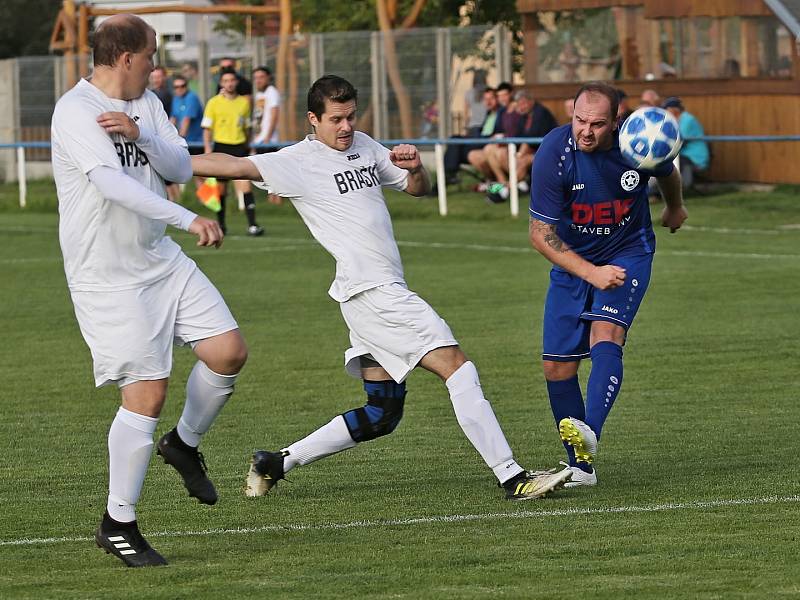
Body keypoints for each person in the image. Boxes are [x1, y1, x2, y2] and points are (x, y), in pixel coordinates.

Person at [192, 75, 572, 502]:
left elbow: (418, 190)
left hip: (368, 295)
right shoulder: (297, 161)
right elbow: (232, 164)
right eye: (336, 119)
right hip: (375, 293)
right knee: (458, 367)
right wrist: (163, 158)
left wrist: (415, 168)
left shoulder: (365, 145)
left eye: (351, 116)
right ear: (312, 119)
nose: (345, 126)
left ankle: (275, 462)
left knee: (381, 413)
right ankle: (512, 476)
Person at [50, 14, 248, 567]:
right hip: (106, 275)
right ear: (126, 58)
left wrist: (141, 135)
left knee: (227, 351)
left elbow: (179, 163)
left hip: (158, 257)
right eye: (152, 54)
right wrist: (188, 219)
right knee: (147, 392)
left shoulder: (147, 104)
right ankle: (119, 522)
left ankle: (183, 445)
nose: (157, 64)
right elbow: (110, 184)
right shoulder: (75, 111)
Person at [528, 81, 687, 488]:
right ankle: (581, 470)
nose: (586, 130)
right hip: (573, 262)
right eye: (580, 120)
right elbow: (540, 233)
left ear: (617, 121)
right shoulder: (554, 151)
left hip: (628, 253)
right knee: (556, 368)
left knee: (607, 334)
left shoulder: (636, 146)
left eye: (597, 124)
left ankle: (590, 432)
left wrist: (675, 207)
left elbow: (666, 170)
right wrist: (589, 272)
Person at [202, 67, 264, 236]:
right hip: (221, 147)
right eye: (226, 81)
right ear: (222, 83)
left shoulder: (243, 103)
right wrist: (208, 148)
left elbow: (247, 128)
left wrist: (249, 146)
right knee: (221, 190)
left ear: (236, 82)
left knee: (245, 186)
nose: (229, 84)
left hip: (239, 147)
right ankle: (221, 225)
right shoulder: (213, 102)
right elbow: (207, 128)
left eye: (232, 80)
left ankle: (252, 225)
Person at [481, 89, 558, 203]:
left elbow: (532, 138)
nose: (521, 107)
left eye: (523, 104)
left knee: (522, 161)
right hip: (532, 151)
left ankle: (504, 191)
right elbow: (519, 136)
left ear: (531, 101)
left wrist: (520, 154)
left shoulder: (541, 113)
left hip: (549, 153)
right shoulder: (524, 116)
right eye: (519, 104)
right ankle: (514, 185)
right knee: (500, 153)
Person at [662, 96, 710, 190]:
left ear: (674, 110)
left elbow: (679, 142)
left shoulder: (687, 120)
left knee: (670, 161)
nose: (665, 113)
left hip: (696, 158)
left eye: (666, 110)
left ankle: (682, 187)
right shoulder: (679, 120)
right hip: (685, 155)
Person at [251, 66, 282, 204]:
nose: (258, 80)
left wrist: (268, 136)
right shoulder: (259, 94)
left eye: (261, 77)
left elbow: (275, 114)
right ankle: (272, 201)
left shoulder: (272, 92)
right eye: (256, 78)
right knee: (265, 173)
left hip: (268, 140)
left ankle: (276, 201)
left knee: (272, 172)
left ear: (269, 78)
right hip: (259, 139)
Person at [170, 74, 205, 191]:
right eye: (176, 87)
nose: (179, 89)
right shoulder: (176, 99)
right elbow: (173, 119)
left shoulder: (191, 98)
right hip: (187, 141)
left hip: (196, 141)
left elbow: (186, 120)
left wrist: (178, 139)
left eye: (182, 86)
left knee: (200, 173)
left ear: (187, 86)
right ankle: (200, 199)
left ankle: (208, 200)